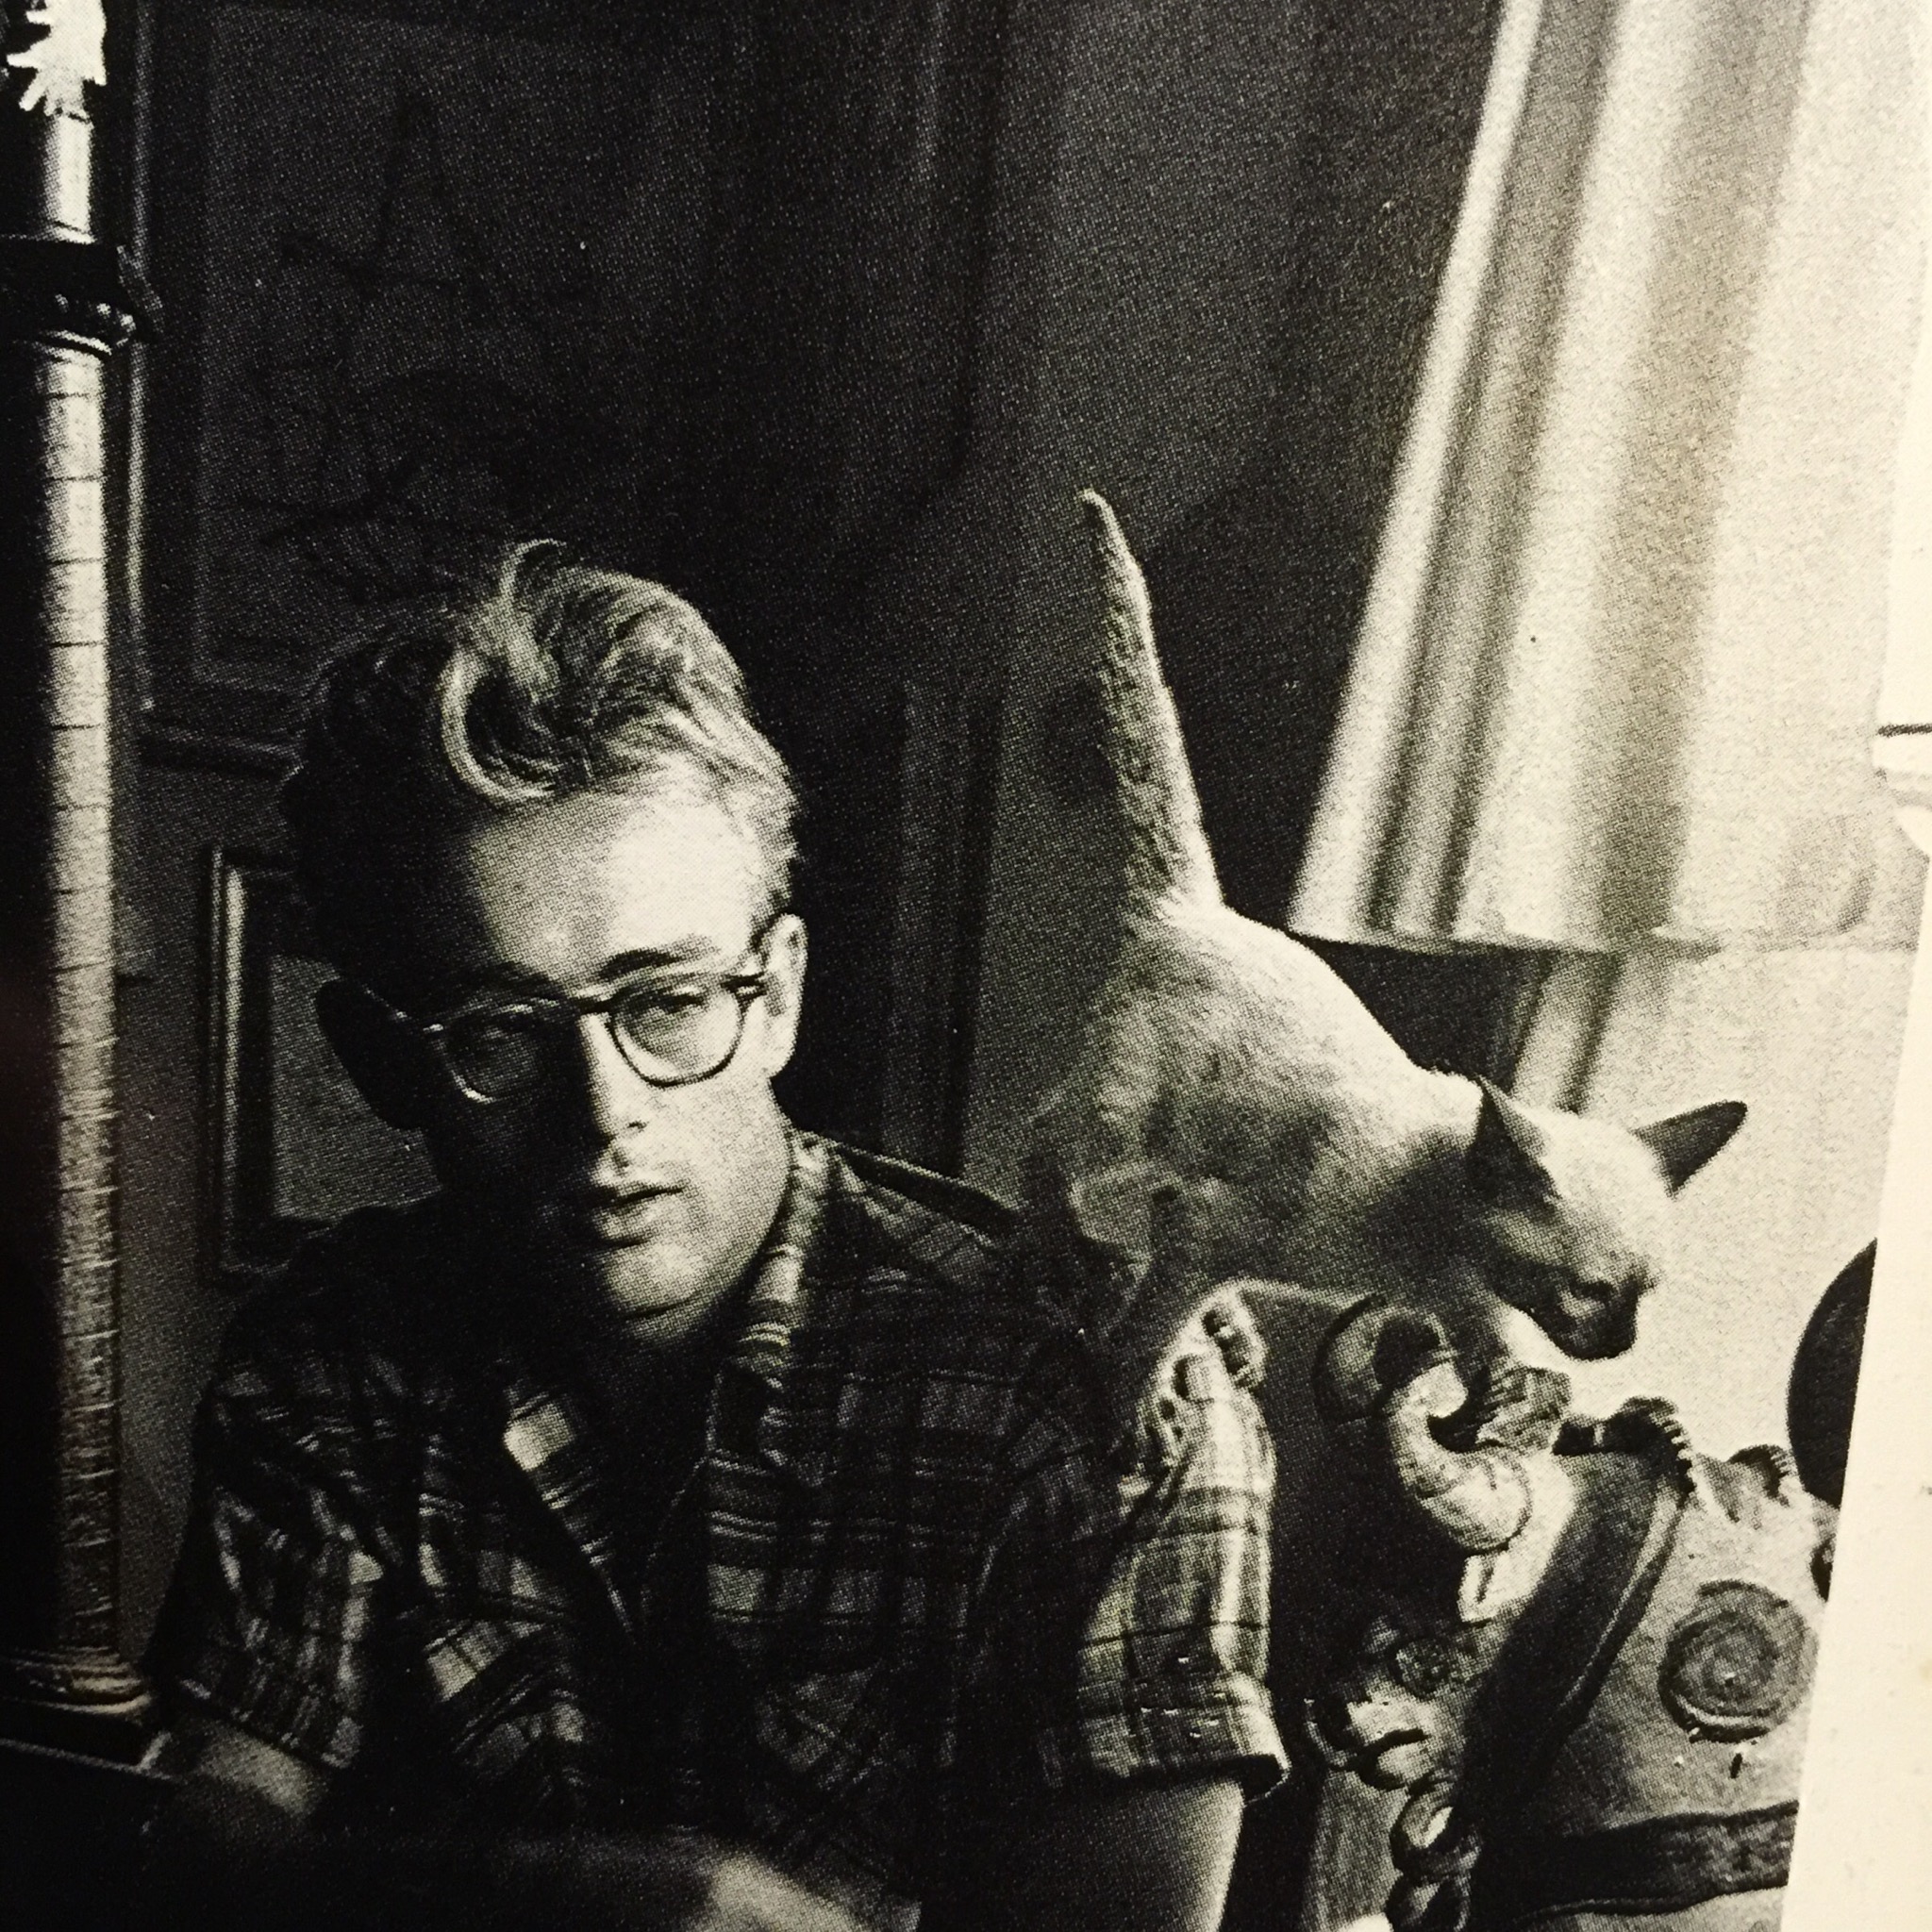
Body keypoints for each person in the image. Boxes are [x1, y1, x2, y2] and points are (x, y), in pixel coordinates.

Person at [138, 544, 1286, 1932]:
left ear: (780, 994)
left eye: (669, 1001)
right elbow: (196, 1846)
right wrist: (547, 1895)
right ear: (376, 1059)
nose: (603, 1116)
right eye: (498, 1030)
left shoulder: (1102, 1398)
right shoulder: (324, 1355)